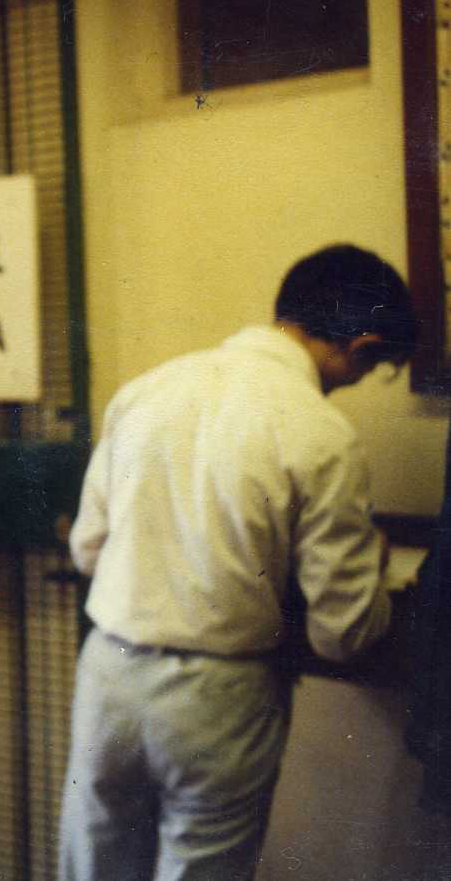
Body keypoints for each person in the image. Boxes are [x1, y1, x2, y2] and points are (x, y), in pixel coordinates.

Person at [58, 244, 417, 881]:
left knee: (94, 865)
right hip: (219, 696)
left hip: (109, 673)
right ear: (362, 348)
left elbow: (88, 548)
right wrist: (373, 568)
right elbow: (344, 633)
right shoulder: (321, 433)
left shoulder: (148, 389)